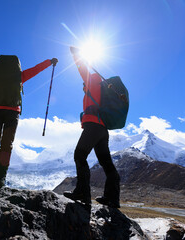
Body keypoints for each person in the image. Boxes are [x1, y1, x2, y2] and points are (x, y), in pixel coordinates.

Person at [0, 52, 58, 188]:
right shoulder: (20, 76)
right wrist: (49, 62)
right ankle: (0, 178)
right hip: (13, 112)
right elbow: (36, 69)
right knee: (6, 144)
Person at [63, 46, 120, 208]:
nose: (83, 84)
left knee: (79, 155)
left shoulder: (93, 84)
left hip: (93, 127)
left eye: (84, 82)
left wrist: (76, 54)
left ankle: (82, 193)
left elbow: (82, 67)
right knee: (106, 163)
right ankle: (112, 198)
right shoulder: (101, 92)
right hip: (102, 130)